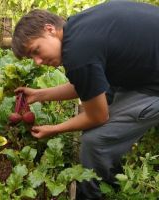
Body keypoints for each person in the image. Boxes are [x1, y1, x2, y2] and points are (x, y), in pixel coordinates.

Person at [12, 1, 159, 199]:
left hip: (153, 84)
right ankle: (112, 169)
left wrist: (54, 129)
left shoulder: (78, 53)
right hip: (147, 67)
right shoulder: (77, 27)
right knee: (104, 97)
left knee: (93, 141)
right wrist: (39, 94)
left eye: (36, 50)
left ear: (49, 30)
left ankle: (91, 193)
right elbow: (87, 83)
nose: (37, 62)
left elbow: (99, 116)